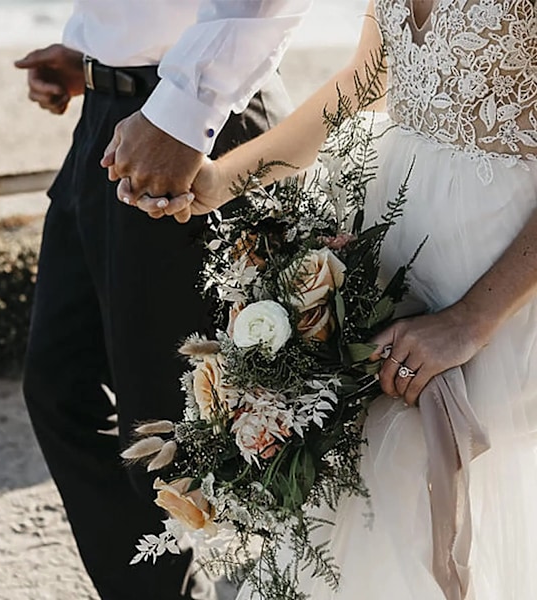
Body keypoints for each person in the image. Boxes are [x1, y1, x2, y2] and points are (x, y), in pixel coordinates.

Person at [135, 0, 537, 597]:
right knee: (364, 512)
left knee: (481, 497)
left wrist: (472, 319)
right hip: (392, 255)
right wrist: (225, 179)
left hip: (500, 282)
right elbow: (363, 81)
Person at [14, 2, 313, 599]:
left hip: (190, 117)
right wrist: (92, 49)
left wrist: (186, 109)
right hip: (110, 113)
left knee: (193, 426)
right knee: (60, 386)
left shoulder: (188, 106)